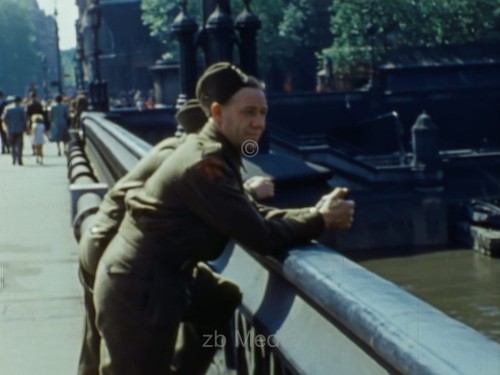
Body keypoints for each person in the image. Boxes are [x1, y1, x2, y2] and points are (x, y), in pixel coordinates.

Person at [93, 62, 355, 374]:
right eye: (248, 112)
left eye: (263, 112)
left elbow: (249, 212)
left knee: (219, 301)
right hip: (141, 289)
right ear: (217, 113)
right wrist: (320, 220)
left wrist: (314, 212)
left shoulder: (215, 151)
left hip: (158, 278)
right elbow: (262, 236)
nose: (259, 123)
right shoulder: (206, 164)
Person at [77, 99, 273, 375]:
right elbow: (200, 197)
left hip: (98, 242)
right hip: (125, 262)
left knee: (95, 348)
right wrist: (248, 194)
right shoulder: (192, 157)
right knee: (126, 359)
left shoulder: (170, 148)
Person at [2, 96, 27, 165]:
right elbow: (24, 119)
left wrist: (7, 125)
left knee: (12, 145)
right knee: (20, 145)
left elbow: (4, 118)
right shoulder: (22, 109)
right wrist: (25, 128)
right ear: (19, 101)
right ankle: (20, 158)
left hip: (11, 129)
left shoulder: (8, 108)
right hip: (20, 129)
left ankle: (14, 158)